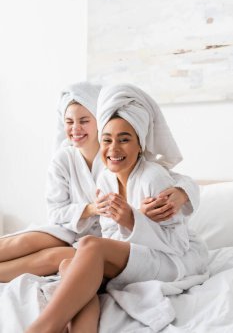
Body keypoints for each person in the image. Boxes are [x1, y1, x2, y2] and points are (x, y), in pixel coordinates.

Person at [25, 84, 208, 333]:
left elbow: (177, 246)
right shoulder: (105, 180)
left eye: (124, 139)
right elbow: (111, 237)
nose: (113, 149)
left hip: (173, 262)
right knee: (71, 265)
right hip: (138, 256)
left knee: (89, 245)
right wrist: (128, 222)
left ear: (139, 145)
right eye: (107, 140)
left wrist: (133, 220)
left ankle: (41, 328)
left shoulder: (154, 178)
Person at [0, 82, 196, 282]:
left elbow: (177, 179)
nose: (76, 129)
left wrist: (181, 192)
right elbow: (54, 212)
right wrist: (91, 209)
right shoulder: (64, 159)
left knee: (50, 257)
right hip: (71, 229)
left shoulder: (119, 159)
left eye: (84, 120)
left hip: (107, 238)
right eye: (69, 121)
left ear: (100, 120)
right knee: (22, 242)